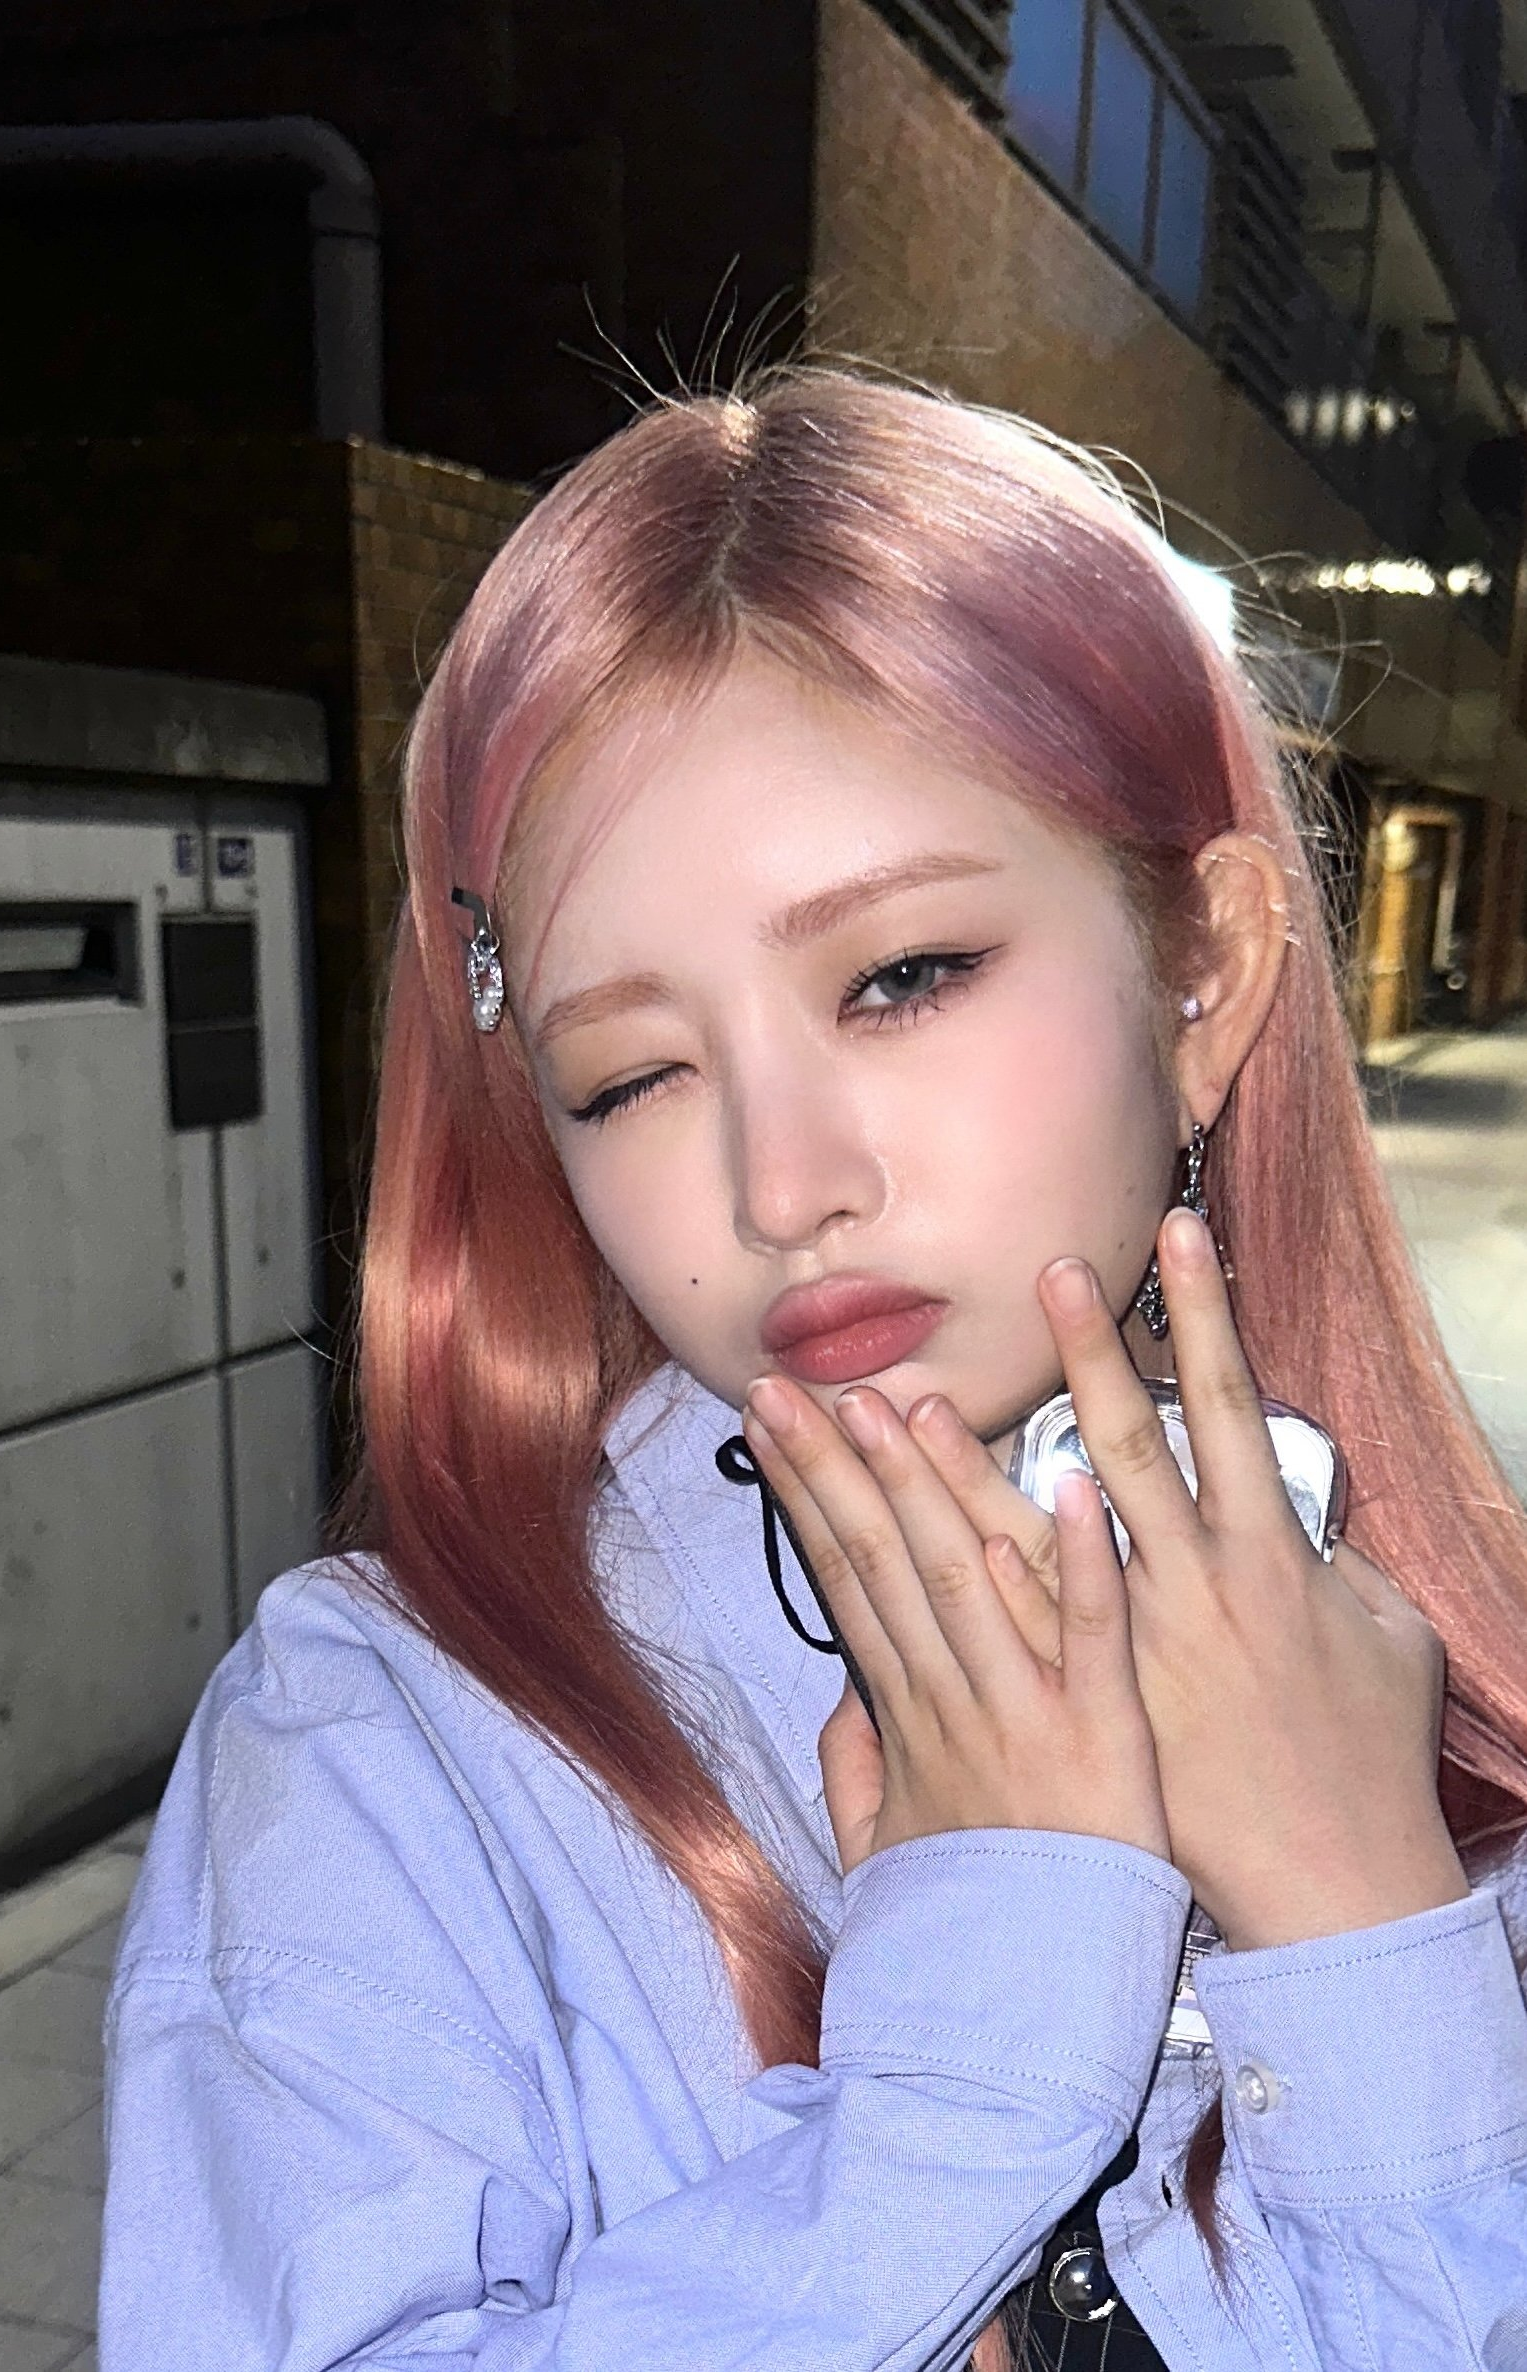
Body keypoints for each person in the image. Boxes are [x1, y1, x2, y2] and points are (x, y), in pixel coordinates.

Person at [99, 370, 1527, 2372]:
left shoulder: (1437, 1682)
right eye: (629, 1074)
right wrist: (962, 2071)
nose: (781, 1186)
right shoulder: (376, 1748)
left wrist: (1363, 1925)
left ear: (1202, 972)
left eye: (901, 976)